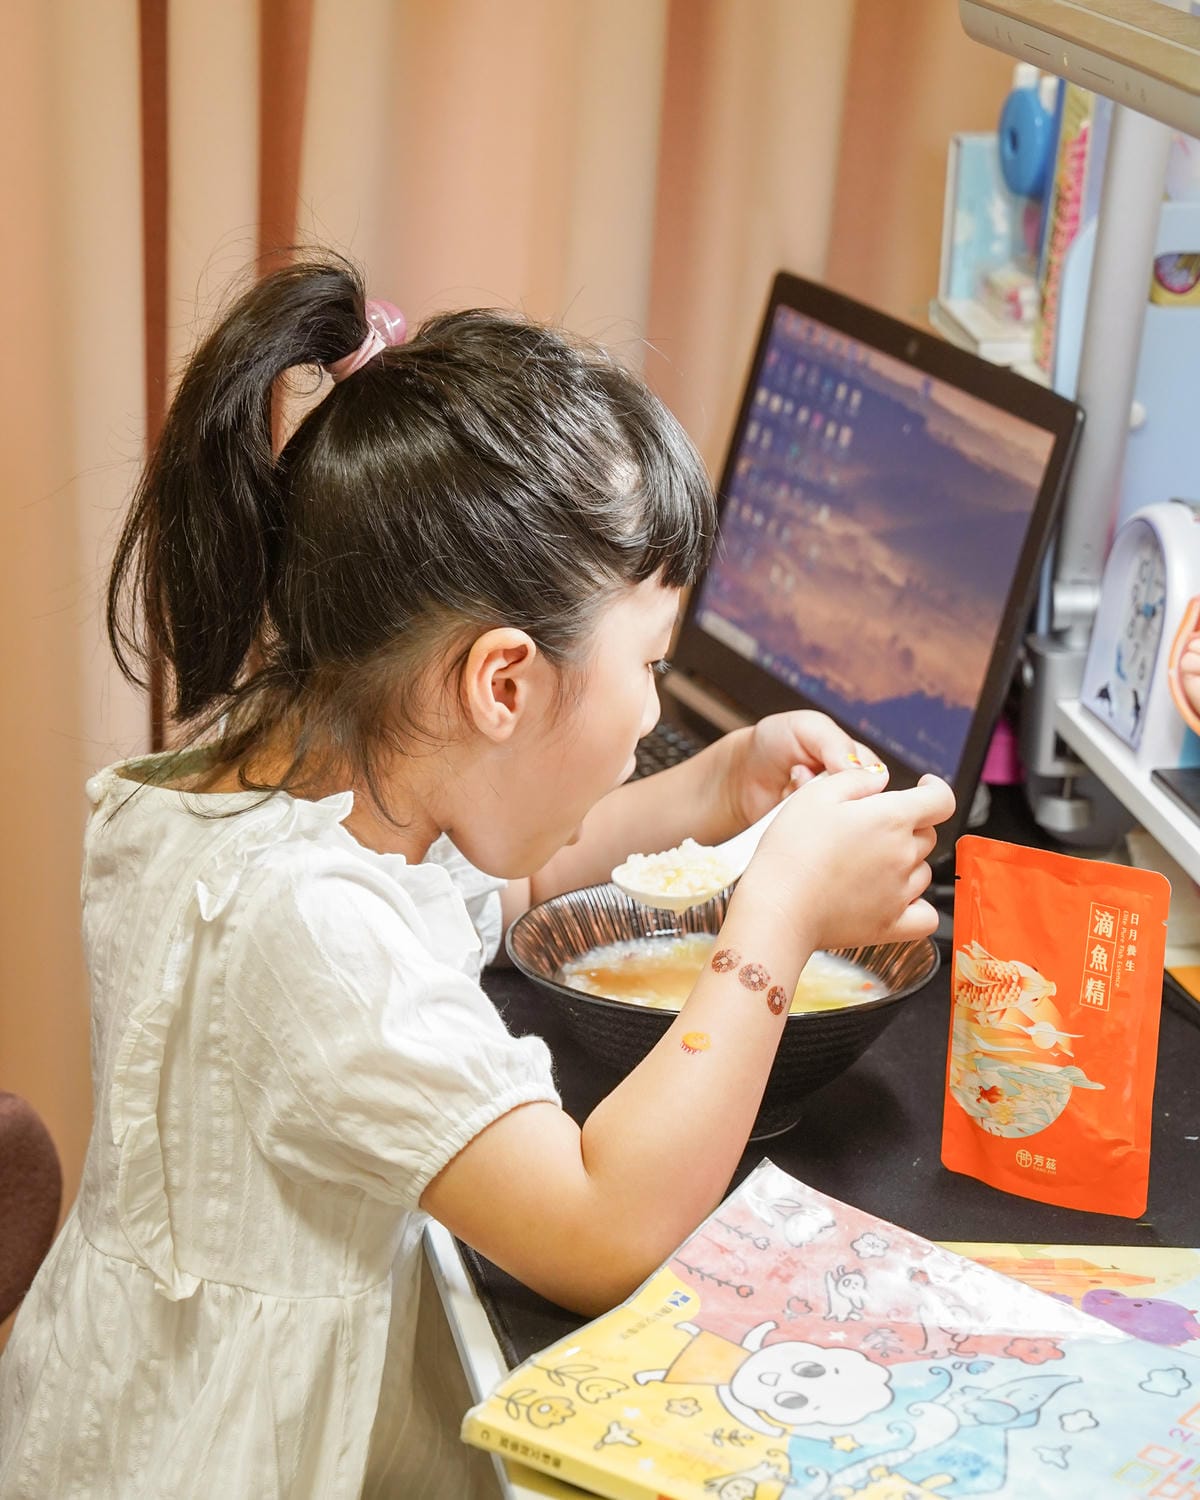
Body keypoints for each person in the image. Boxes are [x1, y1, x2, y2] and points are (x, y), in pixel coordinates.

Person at [0, 255, 954, 1499]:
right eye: (652, 666)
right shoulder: (312, 934)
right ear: (502, 684)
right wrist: (778, 911)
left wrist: (714, 789)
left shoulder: (265, 781)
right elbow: (600, 1231)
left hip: (113, 1408)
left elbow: (492, 887)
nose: (649, 712)